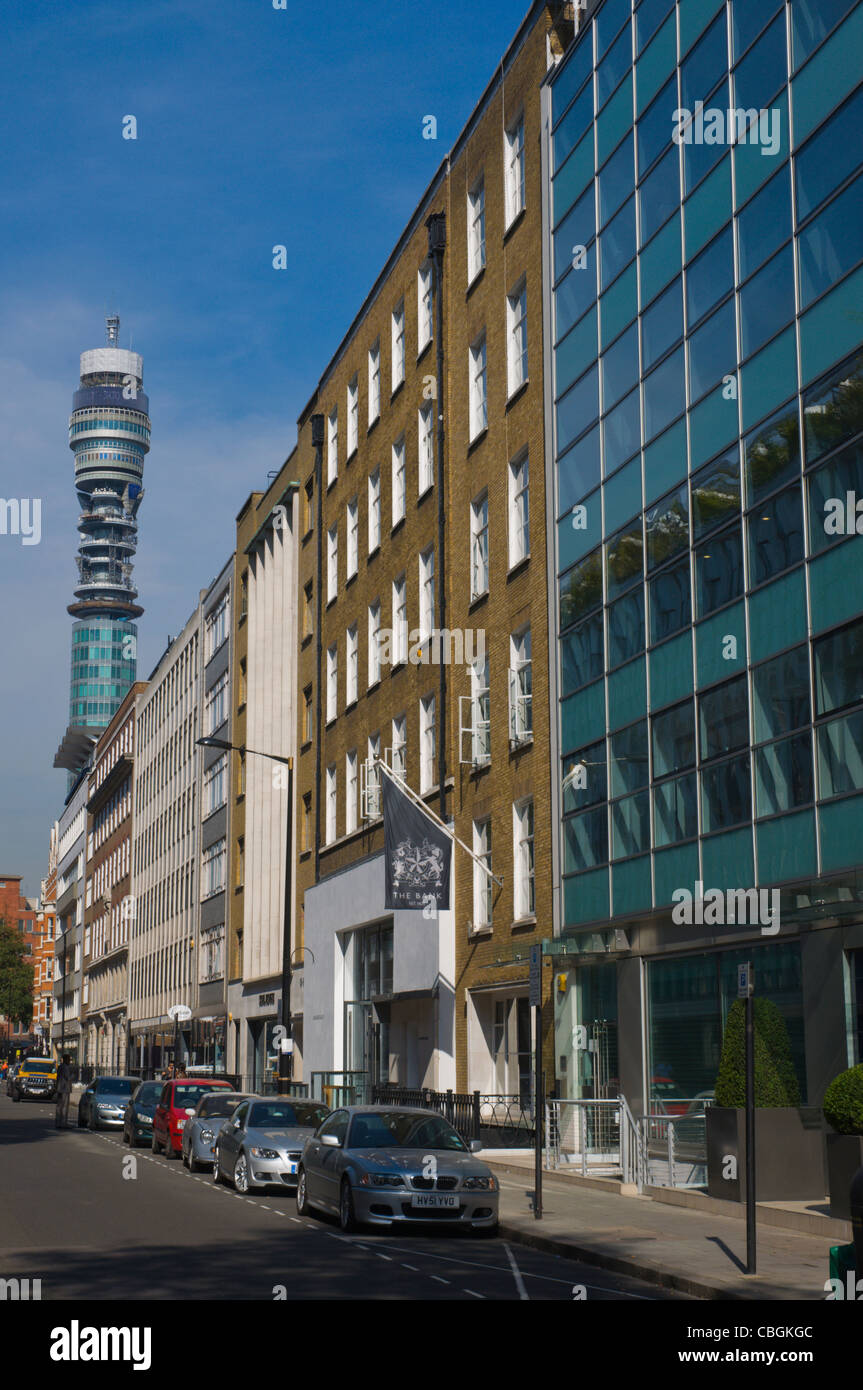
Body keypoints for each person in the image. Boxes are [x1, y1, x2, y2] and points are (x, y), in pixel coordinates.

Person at [55, 1054, 72, 1129]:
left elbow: (58, 1077)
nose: (70, 1061)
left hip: (59, 1088)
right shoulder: (66, 1068)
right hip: (65, 1089)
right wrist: (73, 1076)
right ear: (66, 1060)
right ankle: (63, 1123)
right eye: (69, 1059)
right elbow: (68, 1078)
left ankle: (58, 1122)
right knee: (64, 1106)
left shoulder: (60, 1067)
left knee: (59, 1106)